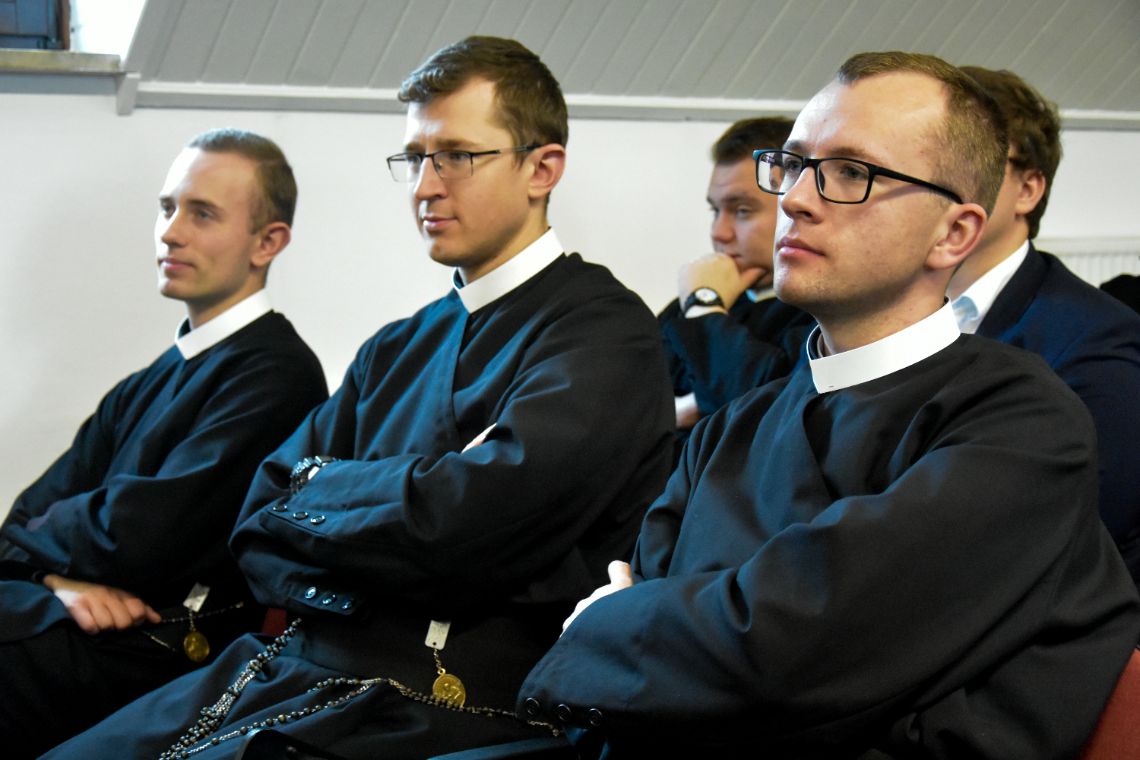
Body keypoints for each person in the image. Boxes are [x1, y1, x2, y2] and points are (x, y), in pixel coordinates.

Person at [47, 36, 673, 760]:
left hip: (443, 704)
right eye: (415, 157)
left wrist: (325, 490)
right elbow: (258, 518)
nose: (425, 187)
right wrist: (408, 494)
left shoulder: (606, 333)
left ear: (542, 168)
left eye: (457, 156)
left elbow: (469, 524)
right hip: (291, 668)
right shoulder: (395, 346)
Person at [518, 52, 1140, 759]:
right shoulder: (732, 427)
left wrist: (614, 624)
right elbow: (667, 675)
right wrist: (661, 642)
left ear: (953, 233)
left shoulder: (1023, 423)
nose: (796, 200)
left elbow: (788, 642)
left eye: (851, 172)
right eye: (793, 165)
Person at [0, 128, 328, 756]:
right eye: (167, 207)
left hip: (165, 650)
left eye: (202, 214)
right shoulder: (146, 381)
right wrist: (56, 579)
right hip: (87, 624)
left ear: (267, 242)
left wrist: (50, 541)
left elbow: (138, 535)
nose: (171, 233)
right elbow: (20, 520)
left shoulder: (277, 375)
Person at [950, 66, 1140, 585]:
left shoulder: (1093, 338)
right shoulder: (900, 306)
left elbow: (1085, 535)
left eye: (966, 159)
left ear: (1028, 189)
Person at [658, 117, 814, 434]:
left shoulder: (819, 312)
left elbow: (763, 414)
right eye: (715, 211)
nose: (719, 232)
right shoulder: (689, 301)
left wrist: (705, 308)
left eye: (742, 210)